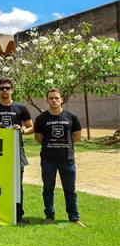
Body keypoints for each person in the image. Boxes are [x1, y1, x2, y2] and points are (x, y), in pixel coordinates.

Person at [0, 78, 33, 224]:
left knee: (18, 184)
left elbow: (31, 127)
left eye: (7, 88)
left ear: (12, 90)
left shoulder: (21, 108)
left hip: (16, 151)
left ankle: (18, 214)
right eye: (2, 88)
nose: (4, 91)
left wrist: (22, 130)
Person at [34, 88, 84, 227]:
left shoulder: (71, 117)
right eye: (51, 98)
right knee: (48, 188)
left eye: (56, 98)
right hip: (48, 160)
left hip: (67, 160)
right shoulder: (41, 118)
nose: (54, 100)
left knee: (70, 190)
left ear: (62, 99)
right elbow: (38, 137)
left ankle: (74, 217)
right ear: (47, 100)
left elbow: (77, 136)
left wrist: (64, 145)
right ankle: (49, 216)